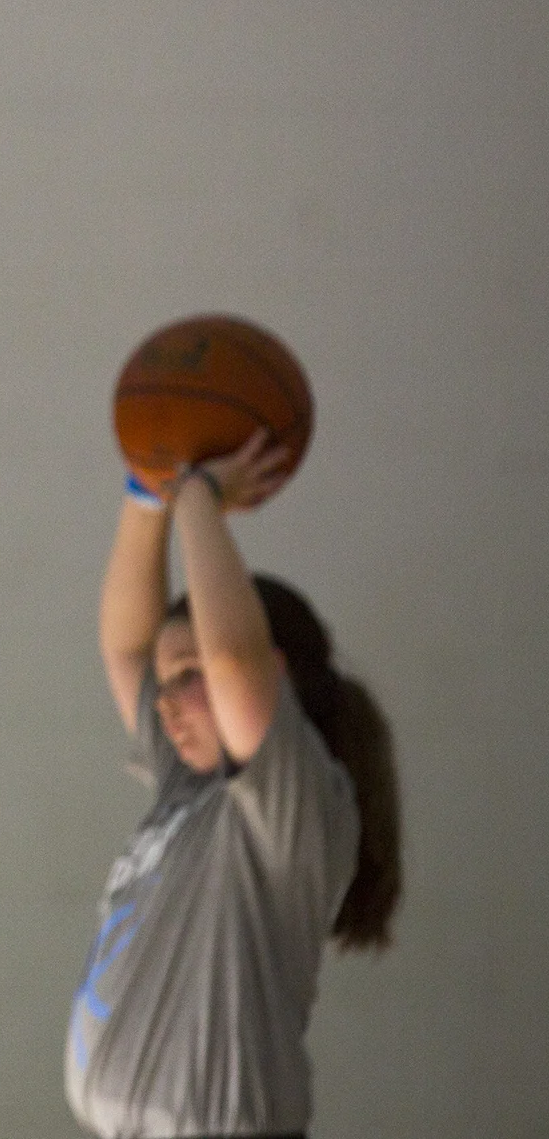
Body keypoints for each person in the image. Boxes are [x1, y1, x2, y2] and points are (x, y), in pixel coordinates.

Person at [68, 431, 402, 1138]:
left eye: (186, 676)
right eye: (166, 682)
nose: (163, 699)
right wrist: (144, 490)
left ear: (275, 674)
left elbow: (232, 655)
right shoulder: (185, 787)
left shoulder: (293, 800)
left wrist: (198, 493)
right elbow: (127, 644)